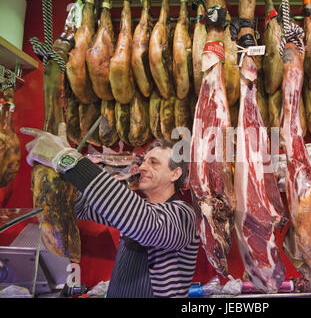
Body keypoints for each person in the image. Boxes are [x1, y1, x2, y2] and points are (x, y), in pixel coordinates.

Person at [21, 123, 199, 298]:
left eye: (154, 163)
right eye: (144, 160)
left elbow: (145, 224)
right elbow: (82, 206)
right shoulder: (137, 209)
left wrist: (66, 158)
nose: (143, 167)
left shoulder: (184, 215)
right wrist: (55, 172)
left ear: (175, 174)